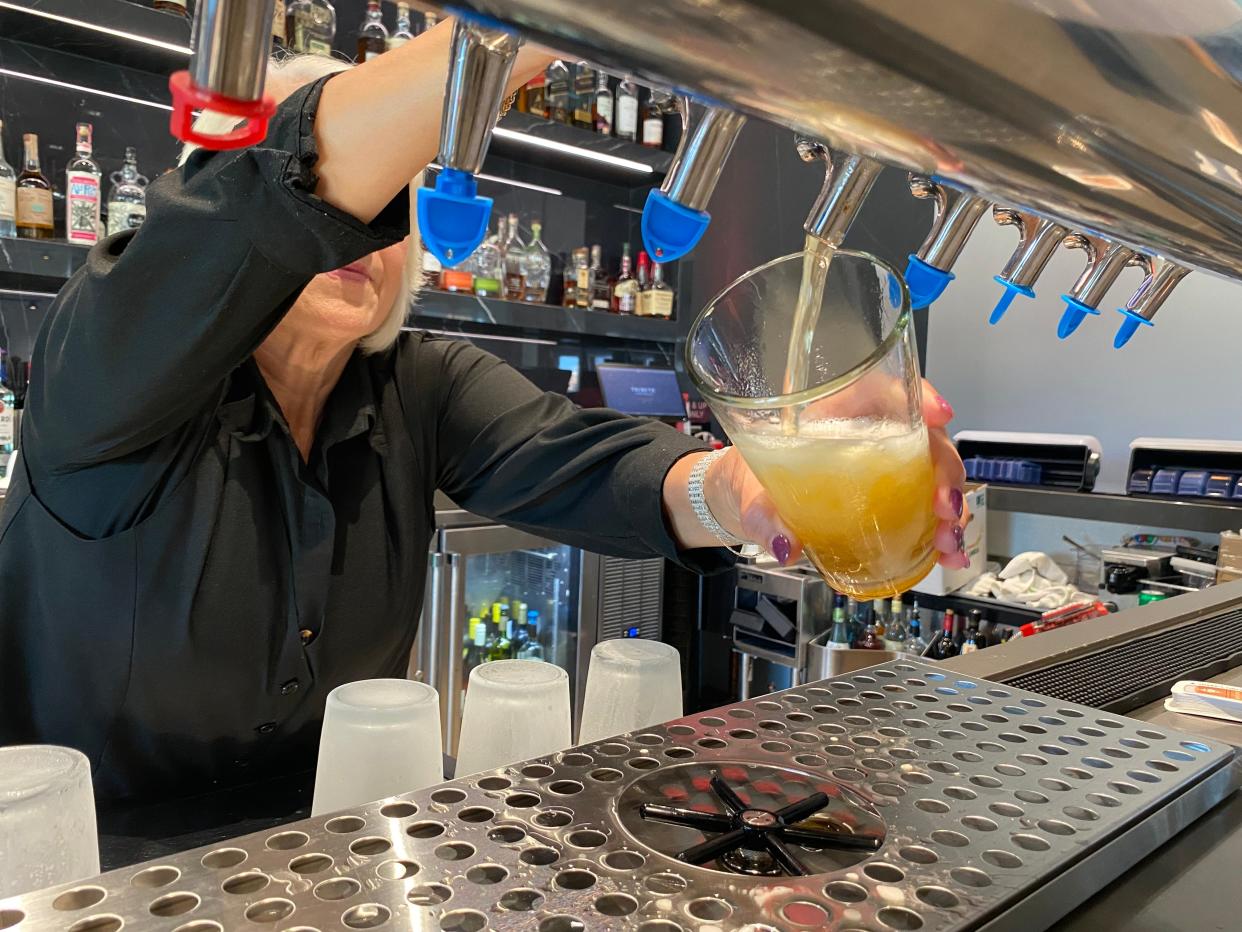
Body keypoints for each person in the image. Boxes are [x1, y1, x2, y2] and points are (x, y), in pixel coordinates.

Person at [0, 22, 967, 801]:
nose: (367, 234)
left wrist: (748, 487)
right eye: (362, 198)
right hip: (81, 869)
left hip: (325, 851)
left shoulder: (421, 386)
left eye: (395, 210)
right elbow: (251, 205)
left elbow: (592, 464)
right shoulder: (110, 367)